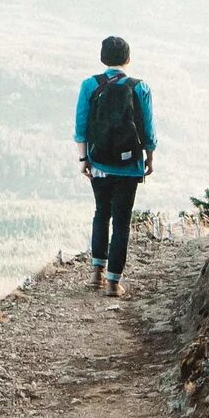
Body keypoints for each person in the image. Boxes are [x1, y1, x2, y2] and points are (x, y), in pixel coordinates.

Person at [74, 35, 154, 297]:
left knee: (101, 213)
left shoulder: (89, 85)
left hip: (99, 163)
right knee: (122, 222)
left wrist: (84, 159)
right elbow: (148, 131)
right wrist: (149, 157)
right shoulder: (140, 87)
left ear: (102, 58)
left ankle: (96, 273)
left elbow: (81, 127)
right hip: (129, 165)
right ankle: (113, 283)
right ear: (128, 59)